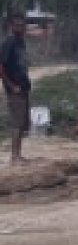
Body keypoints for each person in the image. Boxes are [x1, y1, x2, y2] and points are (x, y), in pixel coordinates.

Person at [0, 13, 31, 165]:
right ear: (12, 26)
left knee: (23, 122)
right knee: (17, 122)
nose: (22, 28)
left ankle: (18, 154)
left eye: (23, 25)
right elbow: (1, 66)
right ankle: (14, 156)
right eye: (18, 25)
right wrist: (11, 85)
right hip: (14, 89)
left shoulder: (20, 42)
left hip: (23, 86)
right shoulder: (9, 42)